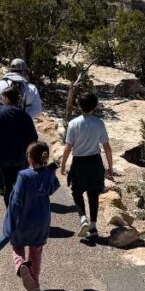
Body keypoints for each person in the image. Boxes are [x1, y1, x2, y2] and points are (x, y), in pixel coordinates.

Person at [0, 141, 59, 291]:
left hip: (23, 221)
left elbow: (16, 201)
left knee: (17, 246)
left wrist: (10, 222)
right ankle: (35, 283)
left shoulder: (24, 175)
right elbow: (52, 190)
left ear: (29, 158)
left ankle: (21, 266)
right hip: (41, 221)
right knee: (36, 251)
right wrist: (51, 172)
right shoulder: (48, 173)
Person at [60, 92, 113, 239]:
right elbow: (107, 147)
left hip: (79, 162)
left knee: (77, 192)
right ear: (95, 106)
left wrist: (63, 165)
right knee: (93, 194)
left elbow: (68, 147)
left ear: (79, 106)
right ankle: (94, 227)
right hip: (95, 162)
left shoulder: (73, 123)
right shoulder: (99, 123)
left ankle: (83, 218)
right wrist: (110, 167)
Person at [0, 86, 39, 205]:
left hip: (3, 158)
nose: (1, 99)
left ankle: (10, 212)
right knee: (19, 185)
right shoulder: (25, 116)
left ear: (7, 99)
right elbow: (33, 138)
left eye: (2, 97)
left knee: (7, 186)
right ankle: (19, 210)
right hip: (21, 158)